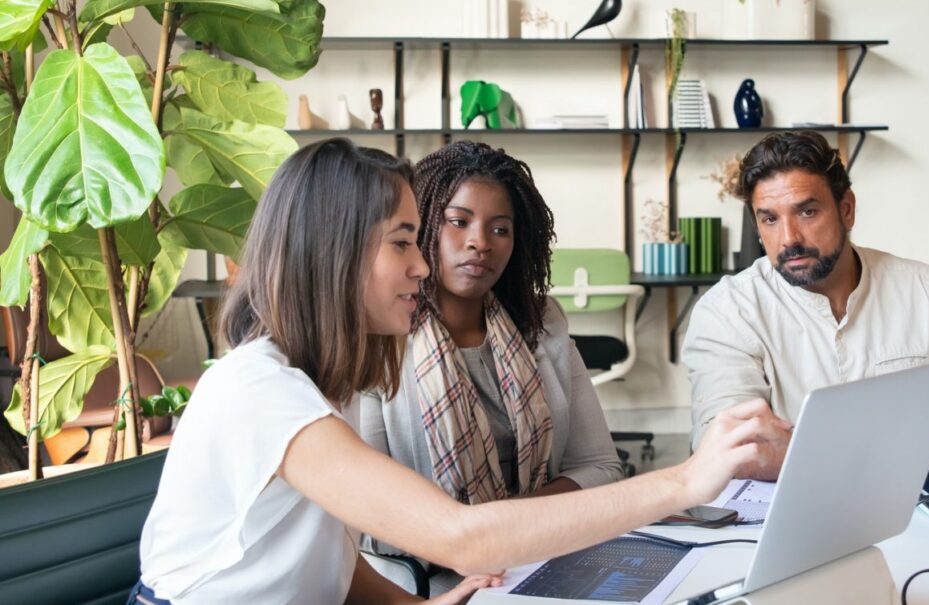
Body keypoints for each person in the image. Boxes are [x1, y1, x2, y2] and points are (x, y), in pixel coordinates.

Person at [135, 138, 768, 604]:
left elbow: (324, 555)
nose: (421, 266)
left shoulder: (313, 380)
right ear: (336, 252)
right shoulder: (260, 390)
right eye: (405, 242)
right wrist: (687, 482)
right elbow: (459, 538)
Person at [682, 131, 929, 482]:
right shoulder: (727, 312)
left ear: (846, 209)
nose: (789, 238)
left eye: (807, 211)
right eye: (770, 219)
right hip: (783, 517)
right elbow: (730, 448)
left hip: (917, 511)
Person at [358, 142, 623, 579]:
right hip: (434, 580)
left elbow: (600, 468)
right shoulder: (380, 338)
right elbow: (373, 523)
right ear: (421, 227)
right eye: (458, 222)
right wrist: (481, 538)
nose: (480, 242)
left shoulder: (543, 323)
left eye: (500, 229)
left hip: (546, 556)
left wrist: (504, 528)